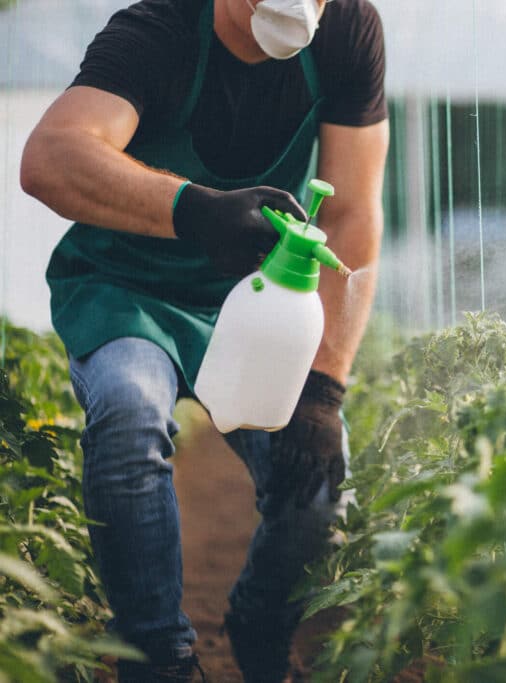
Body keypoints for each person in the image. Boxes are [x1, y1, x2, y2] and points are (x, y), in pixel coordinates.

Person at [20, 0, 388, 679]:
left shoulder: (346, 30)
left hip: (256, 305)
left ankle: (261, 619)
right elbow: (50, 157)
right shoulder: (159, 31)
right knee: (130, 418)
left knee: (315, 476)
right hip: (126, 291)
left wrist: (325, 385)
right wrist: (193, 209)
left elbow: (354, 209)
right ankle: (160, 657)